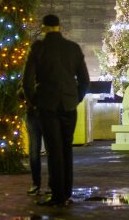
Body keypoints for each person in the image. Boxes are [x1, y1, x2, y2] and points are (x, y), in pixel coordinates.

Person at [23, 14, 90, 207]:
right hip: (69, 105)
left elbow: (27, 81)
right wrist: (75, 99)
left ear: (43, 28)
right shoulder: (73, 48)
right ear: (59, 27)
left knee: (53, 150)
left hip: (47, 105)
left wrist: (34, 101)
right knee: (66, 148)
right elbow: (84, 81)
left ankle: (57, 194)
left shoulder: (38, 48)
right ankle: (67, 192)